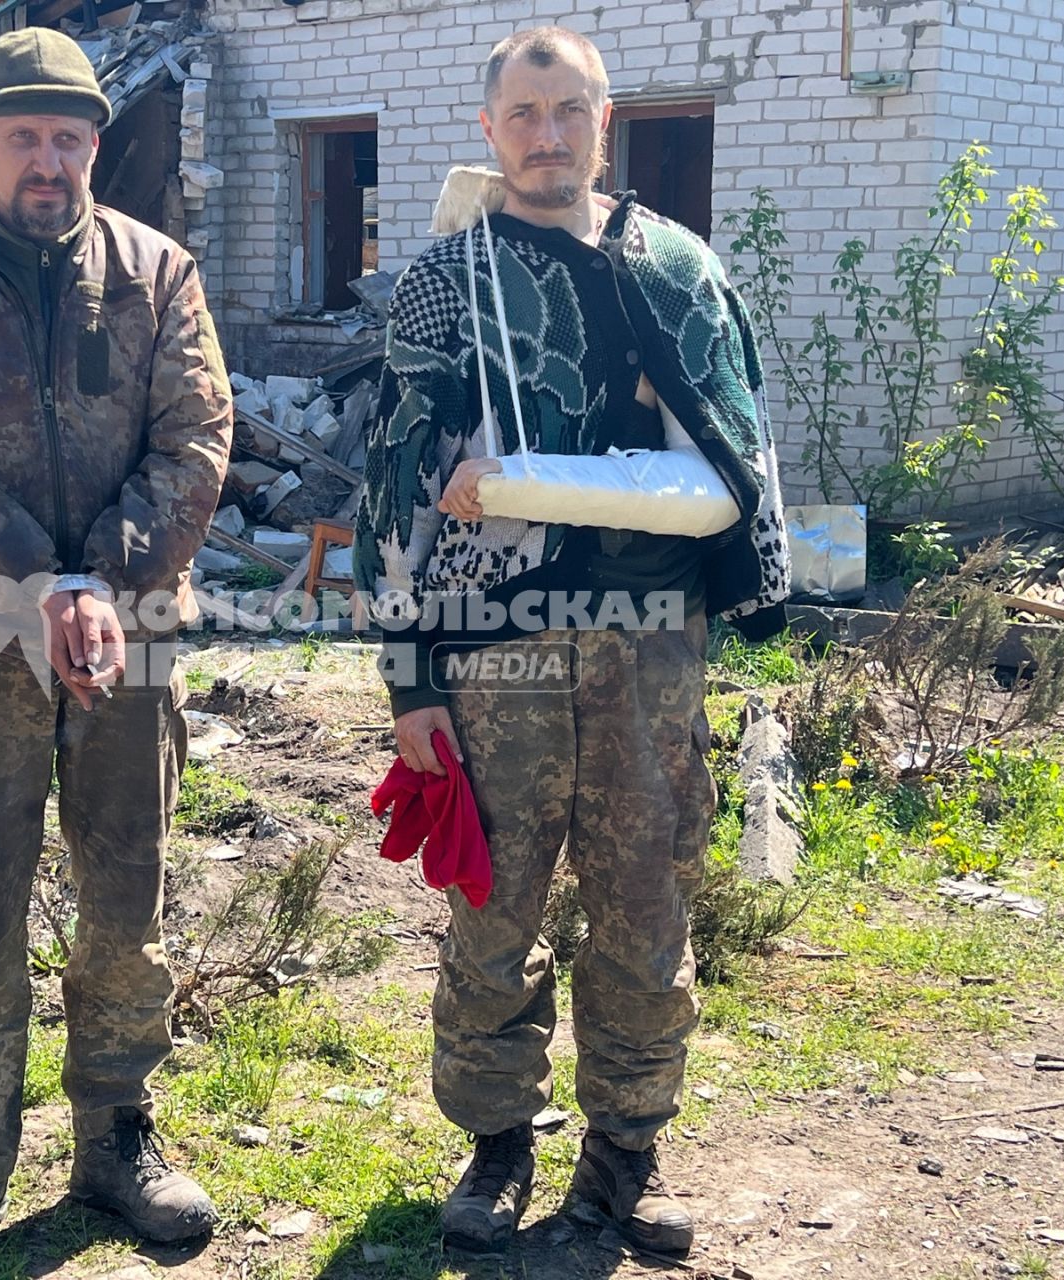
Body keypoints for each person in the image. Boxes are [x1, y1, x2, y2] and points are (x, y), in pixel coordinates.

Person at [353, 26, 791, 1259]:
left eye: (569, 111)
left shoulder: (679, 267)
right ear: (490, 130)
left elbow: (736, 439)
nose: (548, 135)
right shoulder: (452, 278)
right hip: (496, 646)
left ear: (607, 122)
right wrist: (410, 673)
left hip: (652, 646)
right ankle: (497, 1142)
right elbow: (394, 476)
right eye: (524, 112)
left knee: (646, 904)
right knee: (496, 900)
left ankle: (626, 1157)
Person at [0, 27, 233, 1274]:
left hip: (130, 643)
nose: (49, 160)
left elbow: (196, 443)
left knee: (129, 895)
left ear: (93, 146)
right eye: (23, 135)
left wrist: (104, 581)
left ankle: (118, 1139)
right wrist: (43, 579)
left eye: (69, 137)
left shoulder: (158, 273)